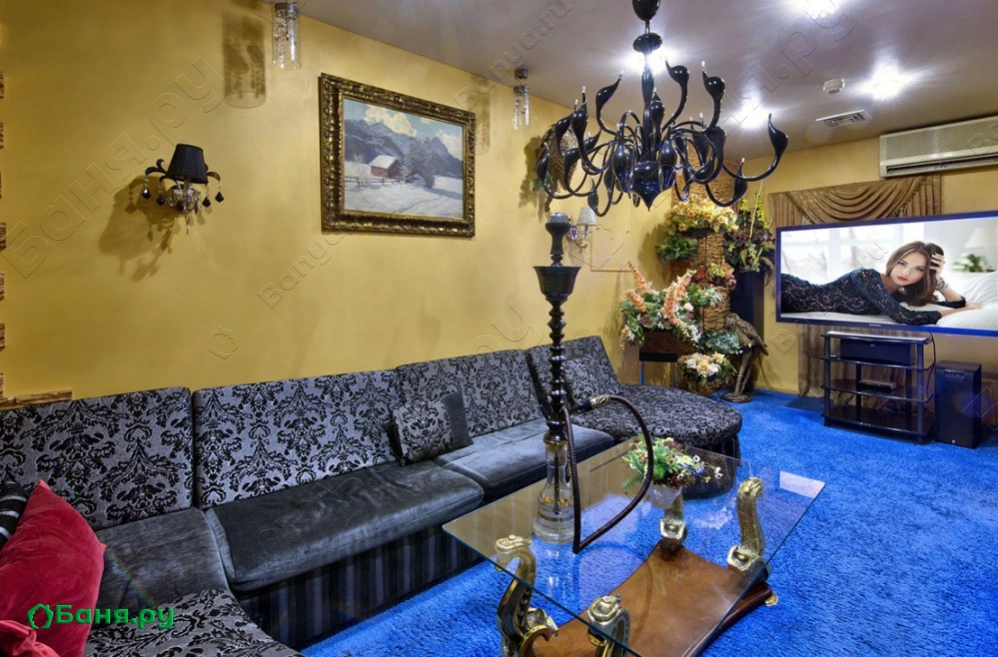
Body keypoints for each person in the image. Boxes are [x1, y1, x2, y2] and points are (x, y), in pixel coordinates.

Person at [781, 241, 981, 325]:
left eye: (918, 269)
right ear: (894, 261)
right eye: (903, 263)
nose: (906, 272)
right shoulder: (866, 277)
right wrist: (965, 311)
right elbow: (906, 317)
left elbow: (954, 304)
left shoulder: (896, 295)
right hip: (789, 290)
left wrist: (937, 278)